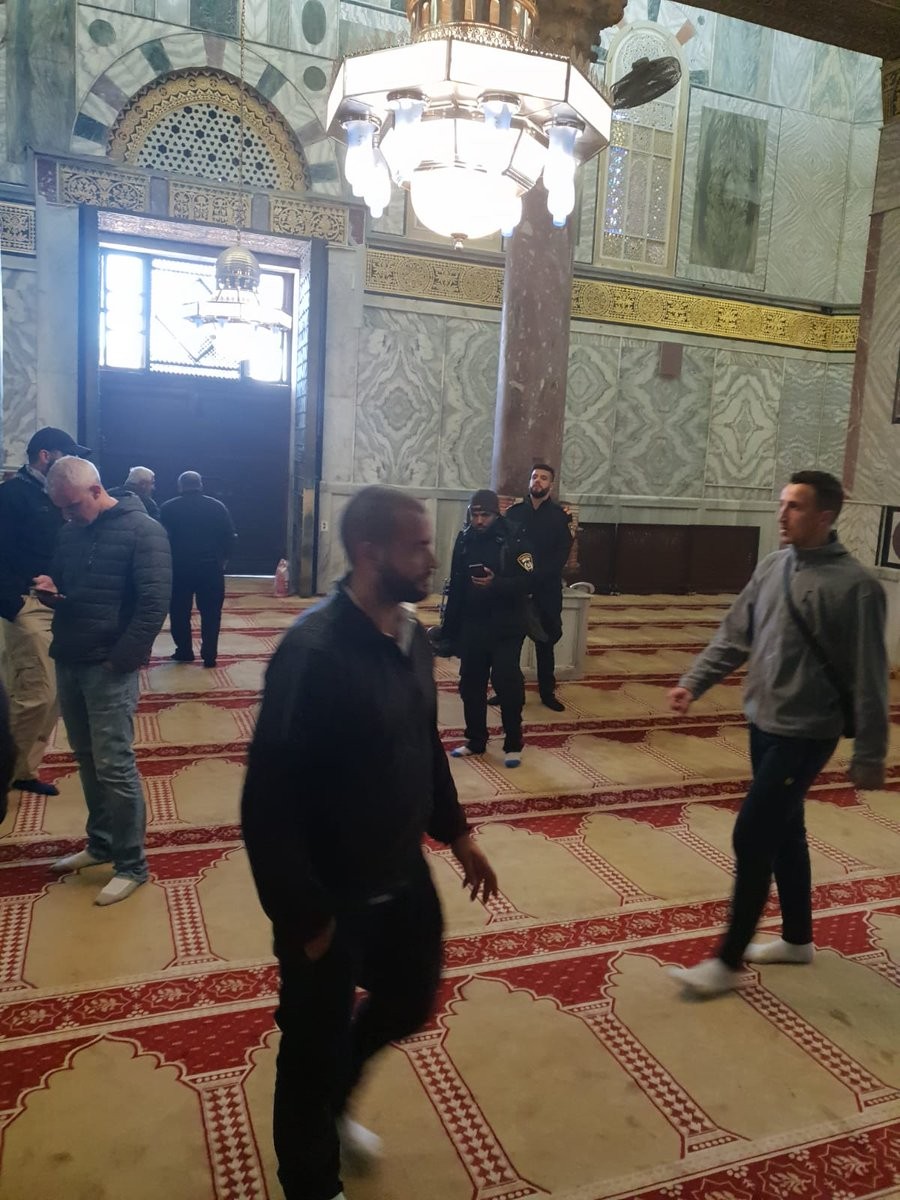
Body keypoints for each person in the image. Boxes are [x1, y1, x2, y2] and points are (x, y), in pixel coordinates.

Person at [241, 484, 497, 1200]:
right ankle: (313, 1182)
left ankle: (337, 1096)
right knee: (312, 1049)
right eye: (418, 547)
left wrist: (458, 833)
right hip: (328, 890)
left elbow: (422, 741)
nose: (432, 559)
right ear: (369, 552)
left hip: (399, 870)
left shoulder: (411, 637)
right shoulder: (312, 652)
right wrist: (303, 914)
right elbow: (267, 801)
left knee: (410, 998)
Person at [667, 470, 888, 998]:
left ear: (824, 517)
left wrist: (871, 753)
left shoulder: (857, 588)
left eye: (795, 506)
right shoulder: (772, 567)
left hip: (806, 733)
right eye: (782, 503)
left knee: (753, 834)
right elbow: (734, 636)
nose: (781, 514)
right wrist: (694, 682)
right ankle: (797, 939)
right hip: (762, 722)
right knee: (787, 830)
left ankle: (727, 962)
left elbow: (871, 678)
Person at [34, 456, 171, 906]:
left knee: (114, 765)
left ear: (96, 491)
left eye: (72, 506)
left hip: (108, 664)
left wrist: (120, 662)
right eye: (61, 509)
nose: (67, 516)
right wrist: (50, 593)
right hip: (71, 657)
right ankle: (101, 843)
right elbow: (68, 588)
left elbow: (153, 605)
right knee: (87, 759)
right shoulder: (71, 530)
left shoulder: (144, 531)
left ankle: (131, 865)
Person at [0, 426, 91, 797]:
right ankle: (4, 769)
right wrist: (13, 602)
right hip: (25, 603)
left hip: (56, 603)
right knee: (36, 693)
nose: (72, 461)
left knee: (53, 698)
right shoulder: (12, 496)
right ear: (44, 455)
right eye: (66, 454)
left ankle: (22, 770)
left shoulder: (56, 496)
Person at [442, 489, 535, 768]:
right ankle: (476, 740)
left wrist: (497, 584)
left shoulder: (517, 538)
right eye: (475, 514)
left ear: (497, 513)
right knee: (471, 683)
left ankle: (513, 743)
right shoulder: (465, 538)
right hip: (473, 624)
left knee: (507, 682)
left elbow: (530, 581)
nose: (480, 520)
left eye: (485, 515)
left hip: (507, 625)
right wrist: (449, 631)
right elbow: (457, 586)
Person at [502, 463, 573, 711]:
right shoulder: (514, 514)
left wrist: (535, 578)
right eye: (534, 477)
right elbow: (506, 550)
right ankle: (506, 689)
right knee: (510, 645)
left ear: (550, 485)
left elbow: (560, 554)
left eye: (544, 478)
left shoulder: (559, 517)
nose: (538, 481)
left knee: (546, 643)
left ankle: (547, 693)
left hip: (546, 590)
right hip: (516, 590)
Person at [159, 471, 236, 668]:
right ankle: (210, 655)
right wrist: (223, 560)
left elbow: (161, 539)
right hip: (210, 568)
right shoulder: (217, 507)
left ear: (180, 486)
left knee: (179, 611)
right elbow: (229, 536)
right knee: (211, 613)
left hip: (179, 568)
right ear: (201, 485)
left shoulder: (168, 508)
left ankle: (184, 651)